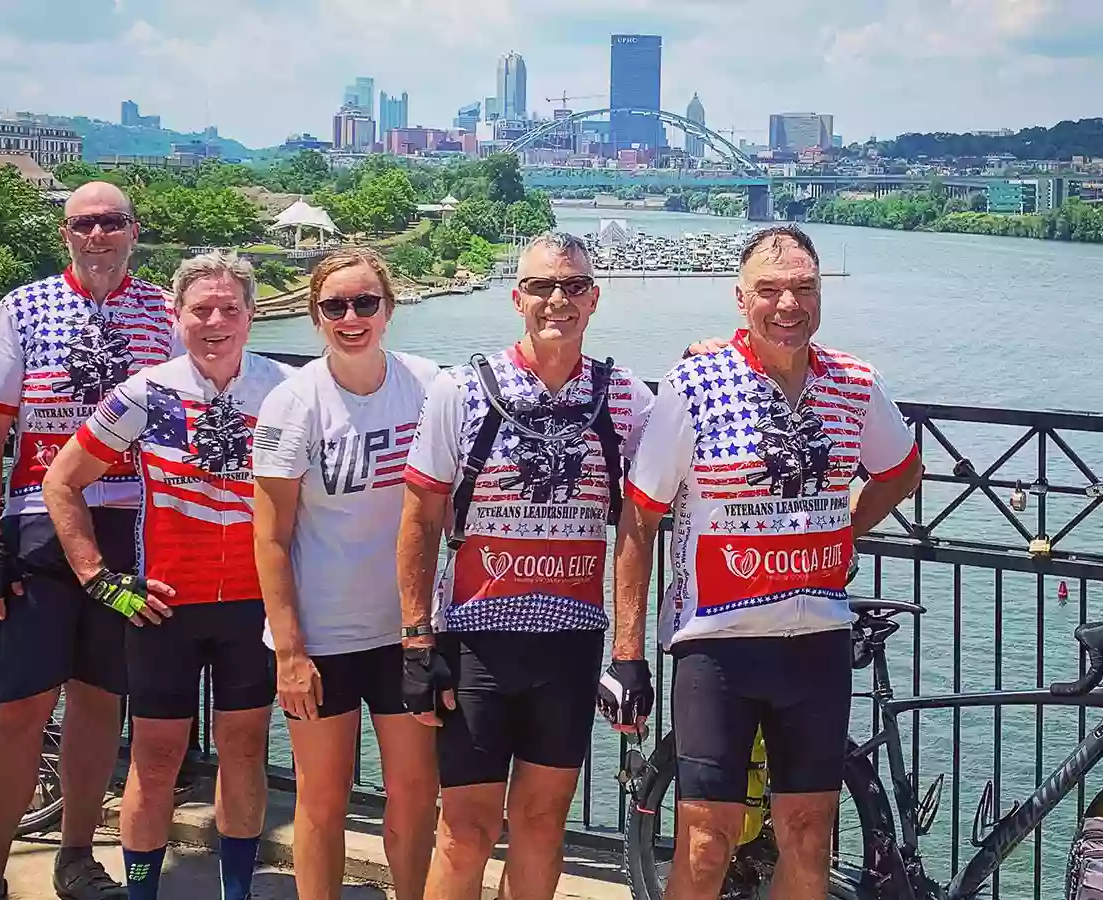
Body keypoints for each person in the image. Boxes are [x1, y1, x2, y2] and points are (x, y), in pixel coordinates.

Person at [614, 225, 924, 900]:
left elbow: (902, 471)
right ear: (740, 298)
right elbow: (640, 515)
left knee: (810, 833)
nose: (789, 304)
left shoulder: (853, 383)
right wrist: (627, 652)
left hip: (815, 642)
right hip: (717, 646)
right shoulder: (695, 384)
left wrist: (844, 531)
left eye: (804, 288)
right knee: (705, 839)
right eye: (770, 290)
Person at [395, 233, 653, 900]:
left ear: (594, 298)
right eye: (541, 285)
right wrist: (417, 640)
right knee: (467, 829)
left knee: (542, 825)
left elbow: (641, 519)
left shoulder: (623, 398)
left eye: (572, 286)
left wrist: (628, 653)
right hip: (478, 639)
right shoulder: (464, 391)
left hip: (570, 644)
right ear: (517, 297)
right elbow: (421, 518)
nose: (556, 299)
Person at [39, 251, 289, 900]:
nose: (215, 320)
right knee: (154, 763)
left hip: (252, 609)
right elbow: (62, 480)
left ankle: (238, 893)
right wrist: (99, 579)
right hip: (164, 608)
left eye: (229, 308)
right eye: (200, 309)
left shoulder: (286, 393)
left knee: (243, 755)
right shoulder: (145, 393)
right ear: (175, 317)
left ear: (251, 315)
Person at [0, 181, 179, 900]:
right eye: (84, 224)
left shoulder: (166, 312)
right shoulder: (21, 309)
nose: (98, 236)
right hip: (37, 523)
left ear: (132, 231)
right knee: (20, 709)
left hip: (129, 527)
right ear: (66, 235)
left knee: (97, 701)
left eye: (111, 222)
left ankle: (77, 857)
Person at [251, 249, 446, 900]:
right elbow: (271, 537)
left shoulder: (428, 386)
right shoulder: (293, 403)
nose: (351, 316)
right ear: (315, 317)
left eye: (365, 302)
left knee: (416, 794)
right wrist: (290, 652)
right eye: (335, 306)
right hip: (323, 637)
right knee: (322, 798)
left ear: (389, 309)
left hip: (405, 632)